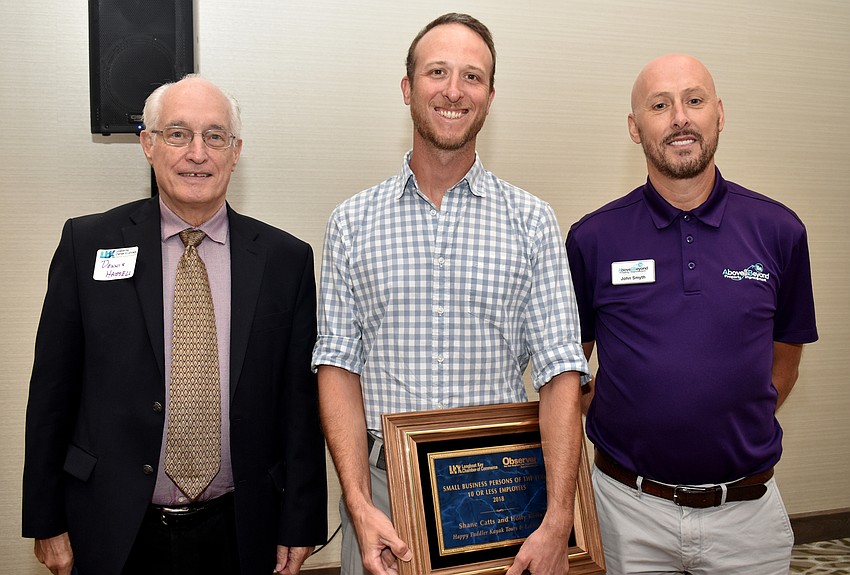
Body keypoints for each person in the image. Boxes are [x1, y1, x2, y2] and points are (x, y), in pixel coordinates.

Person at [312, 13, 589, 575]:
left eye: (473, 76)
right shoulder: (351, 222)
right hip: (386, 496)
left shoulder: (532, 222)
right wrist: (359, 505)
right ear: (408, 88)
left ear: (489, 96)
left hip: (504, 496)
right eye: (437, 72)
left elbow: (562, 371)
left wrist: (559, 517)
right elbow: (337, 366)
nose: (454, 90)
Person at [22, 75, 327, 575]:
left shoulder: (285, 260)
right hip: (110, 526)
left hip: (240, 528)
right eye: (178, 134)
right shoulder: (87, 244)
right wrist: (45, 518)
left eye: (215, 136)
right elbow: (51, 392)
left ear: (236, 151)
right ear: (148, 144)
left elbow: (299, 406)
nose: (197, 153)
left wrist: (301, 522)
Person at [566, 54, 818, 574]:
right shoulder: (592, 239)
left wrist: (723, 422)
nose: (680, 117)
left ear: (719, 114)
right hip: (624, 514)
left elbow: (785, 364)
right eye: (660, 105)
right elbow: (568, 367)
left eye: (694, 101)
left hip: (747, 516)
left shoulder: (780, 231)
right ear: (635, 129)